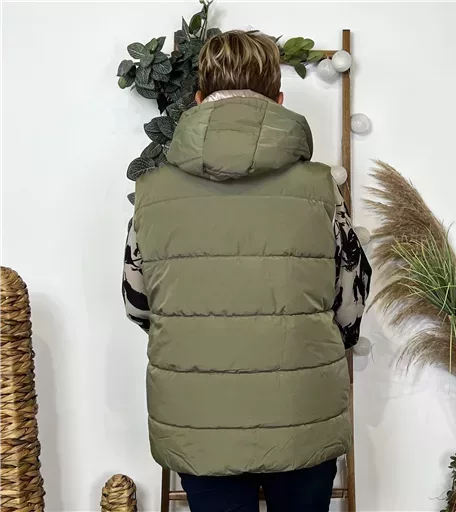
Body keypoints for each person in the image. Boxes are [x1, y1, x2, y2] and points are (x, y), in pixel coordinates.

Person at [122, 30, 372, 512]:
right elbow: (350, 302)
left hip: (198, 419)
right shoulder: (322, 190)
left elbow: (138, 304)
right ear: (278, 100)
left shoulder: (152, 195)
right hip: (302, 411)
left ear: (198, 100)